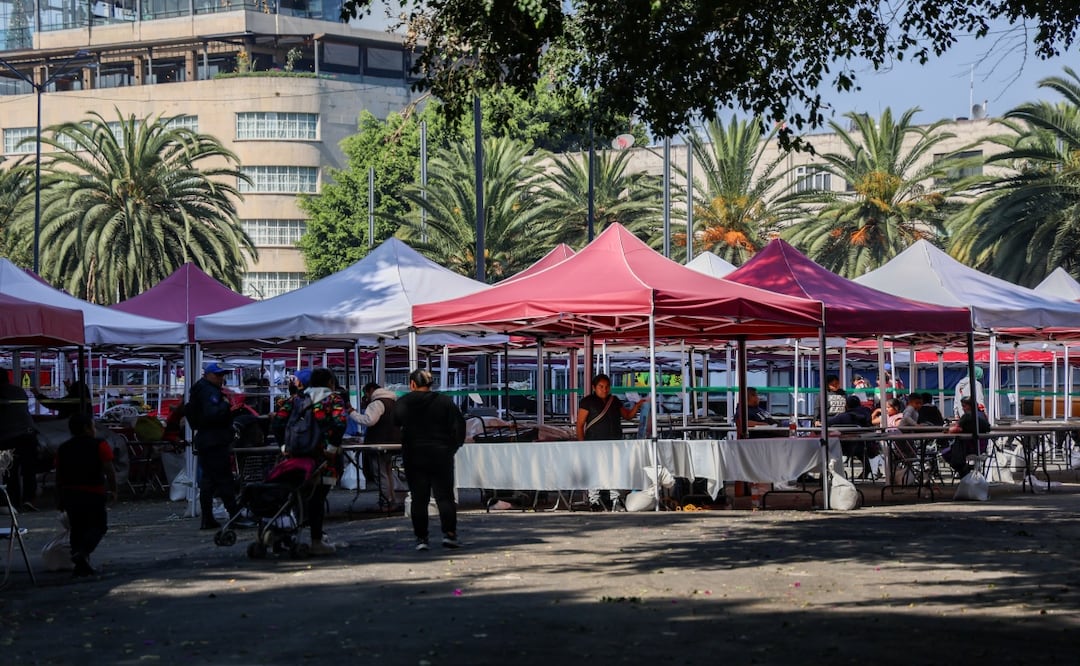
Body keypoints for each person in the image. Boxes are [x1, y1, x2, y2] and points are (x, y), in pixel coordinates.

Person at [272, 366, 348, 555]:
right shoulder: (333, 399)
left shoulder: (295, 399)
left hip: (295, 457)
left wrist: (283, 446)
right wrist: (332, 447)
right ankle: (316, 540)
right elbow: (340, 423)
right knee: (318, 498)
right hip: (323, 458)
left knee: (292, 496)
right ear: (331, 382)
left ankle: (283, 535)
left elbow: (278, 422)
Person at [395, 369, 466, 551]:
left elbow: (395, 423)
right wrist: (452, 447)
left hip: (414, 455)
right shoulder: (445, 401)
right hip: (441, 454)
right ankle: (449, 535)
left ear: (412, 384)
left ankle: (421, 538)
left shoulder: (403, 402)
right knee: (445, 497)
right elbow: (459, 426)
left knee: (419, 499)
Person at [187, 362, 252, 530]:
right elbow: (213, 413)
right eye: (217, 375)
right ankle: (234, 516)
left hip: (207, 439)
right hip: (214, 440)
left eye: (222, 375)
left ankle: (208, 518)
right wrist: (226, 405)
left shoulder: (199, 389)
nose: (221, 378)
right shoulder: (209, 391)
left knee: (209, 481)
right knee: (224, 480)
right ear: (207, 375)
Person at [55, 413, 116, 577]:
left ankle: (80, 563)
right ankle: (82, 553)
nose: (94, 429)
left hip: (70, 493)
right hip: (93, 492)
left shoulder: (63, 448)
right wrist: (114, 489)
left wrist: (60, 497)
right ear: (86, 428)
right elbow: (109, 469)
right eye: (93, 426)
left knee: (77, 528)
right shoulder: (99, 445)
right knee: (99, 526)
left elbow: (59, 474)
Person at [576, 373, 647, 511]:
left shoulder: (614, 401)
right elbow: (580, 424)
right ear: (594, 387)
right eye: (601, 387)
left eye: (607, 387)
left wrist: (637, 406)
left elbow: (627, 416)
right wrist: (582, 444)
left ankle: (615, 498)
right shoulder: (587, 402)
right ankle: (594, 500)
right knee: (595, 471)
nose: (604, 389)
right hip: (593, 442)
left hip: (614, 442)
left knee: (614, 470)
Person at [348, 382, 402, 510]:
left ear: (371, 390)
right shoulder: (393, 402)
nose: (365, 396)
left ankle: (386, 502)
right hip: (392, 442)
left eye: (365, 393)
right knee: (387, 472)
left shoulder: (377, 403)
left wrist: (352, 413)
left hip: (379, 443)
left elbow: (369, 420)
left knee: (381, 473)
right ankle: (392, 500)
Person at [0, 369, 40, 511]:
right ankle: (29, 499)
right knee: (29, 470)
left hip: (8, 438)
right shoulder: (18, 391)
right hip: (28, 435)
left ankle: (13, 502)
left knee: (10, 472)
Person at [946, 397, 991, 477]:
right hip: (982, 447)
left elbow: (954, 429)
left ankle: (964, 471)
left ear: (970, 406)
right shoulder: (982, 415)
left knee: (945, 452)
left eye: (964, 406)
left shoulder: (967, 416)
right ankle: (967, 470)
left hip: (968, 449)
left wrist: (949, 429)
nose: (963, 408)